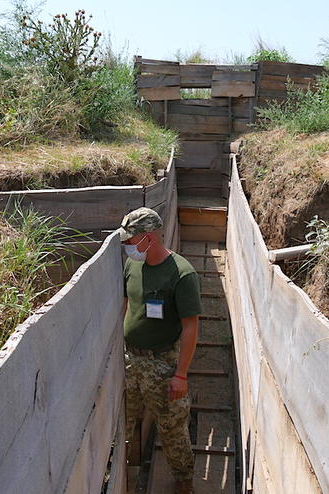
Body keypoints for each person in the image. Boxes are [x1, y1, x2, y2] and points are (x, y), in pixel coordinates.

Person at [116, 207, 202, 494]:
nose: (127, 246)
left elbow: (190, 326)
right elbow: (128, 303)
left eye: (131, 240)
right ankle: (123, 472)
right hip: (130, 360)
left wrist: (181, 375)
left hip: (162, 364)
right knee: (124, 420)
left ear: (149, 238)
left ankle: (184, 480)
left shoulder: (182, 274)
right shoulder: (132, 266)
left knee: (173, 426)